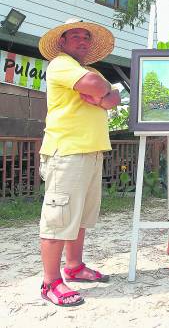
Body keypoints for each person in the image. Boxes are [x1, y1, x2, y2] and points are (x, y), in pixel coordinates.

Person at [38, 18, 121, 307]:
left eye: (86, 37)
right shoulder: (60, 64)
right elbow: (97, 86)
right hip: (67, 151)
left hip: (91, 151)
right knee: (58, 218)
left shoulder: (87, 68)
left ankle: (73, 266)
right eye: (75, 37)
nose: (82, 41)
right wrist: (103, 94)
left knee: (80, 217)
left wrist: (102, 98)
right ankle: (50, 283)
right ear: (62, 42)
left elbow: (114, 96)